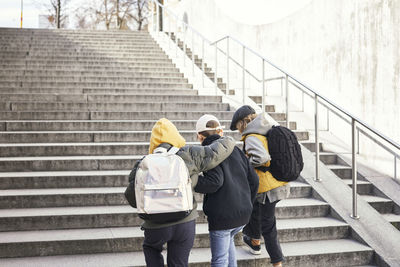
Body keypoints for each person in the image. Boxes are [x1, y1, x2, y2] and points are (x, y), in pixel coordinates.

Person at [128, 118, 236, 267]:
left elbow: (132, 198)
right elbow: (214, 153)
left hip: (155, 225)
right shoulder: (187, 155)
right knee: (178, 263)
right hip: (184, 222)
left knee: (151, 248)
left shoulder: (143, 163)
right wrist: (228, 138)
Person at [194, 114, 259, 267]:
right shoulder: (235, 150)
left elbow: (214, 182)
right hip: (242, 214)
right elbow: (255, 180)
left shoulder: (208, 152)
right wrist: (247, 203)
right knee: (229, 250)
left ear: (200, 136)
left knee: (219, 260)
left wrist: (191, 180)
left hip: (222, 216)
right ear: (220, 132)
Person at [230, 105, 290, 267]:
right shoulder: (266, 129)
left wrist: (244, 163)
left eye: (237, 127)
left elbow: (262, 158)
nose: (238, 131)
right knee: (253, 210)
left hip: (267, 189)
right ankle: (254, 241)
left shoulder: (251, 136)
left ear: (244, 122)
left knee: (268, 227)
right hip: (275, 183)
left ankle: (277, 261)